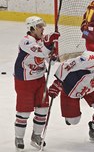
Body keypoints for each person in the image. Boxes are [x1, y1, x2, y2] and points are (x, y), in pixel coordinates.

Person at [14, 16, 60, 150]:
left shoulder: (42, 40)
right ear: (31, 28)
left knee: (42, 109)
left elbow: (48, 57)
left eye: (42, 26)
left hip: (40, 79)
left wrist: (53, 55)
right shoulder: (26, 41)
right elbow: (41, 52)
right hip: (25, 80)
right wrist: (48, 44)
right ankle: (19, 138)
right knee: (24, 112)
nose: (42, 28)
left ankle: (36, 136)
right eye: (39, 26)